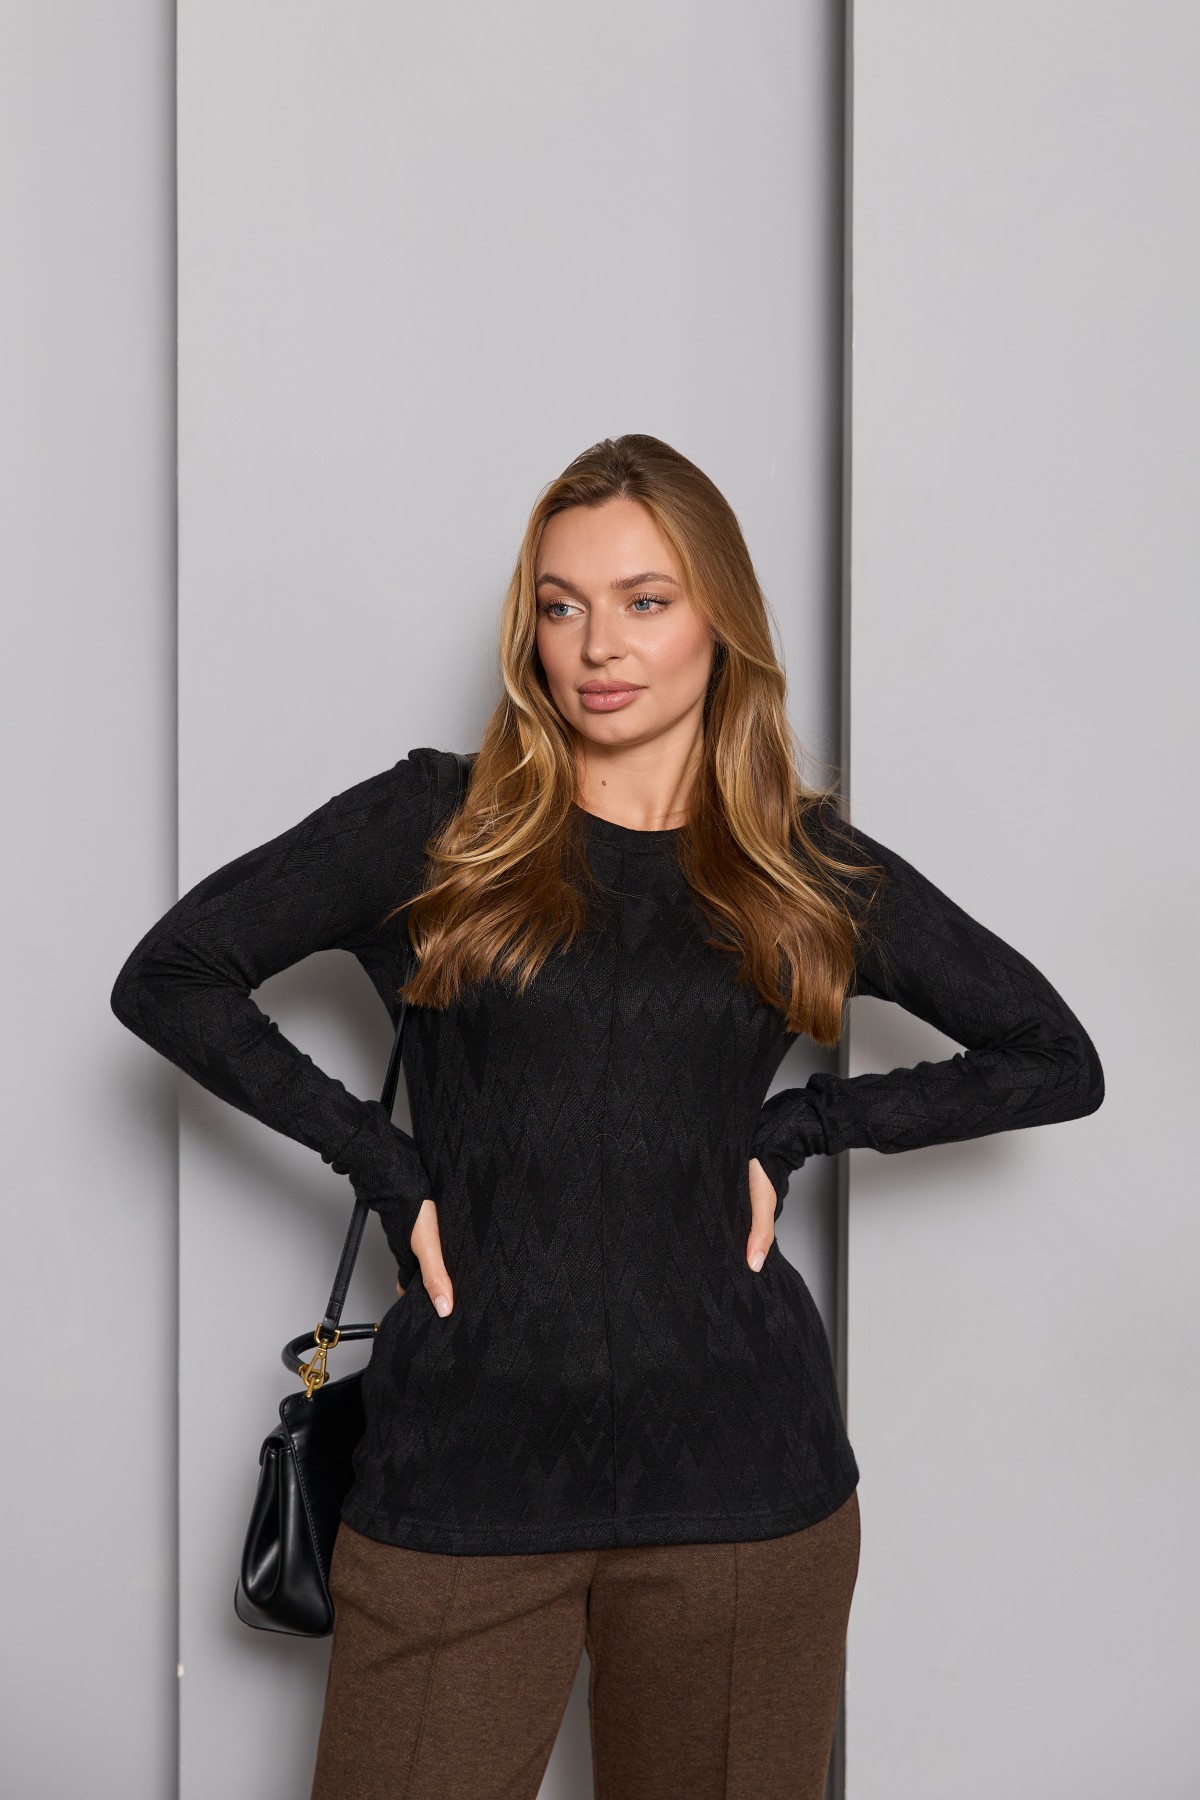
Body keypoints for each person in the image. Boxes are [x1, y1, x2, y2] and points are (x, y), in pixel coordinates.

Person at [110, 432, 1105, 1800]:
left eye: (645, 599)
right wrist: (385, 1166)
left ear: (721, 621)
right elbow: (171, 976)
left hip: (745, 1488)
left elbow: (1052, 1056)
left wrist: (798, 1131)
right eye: (561, 604)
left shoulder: (797, 862)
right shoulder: (438, 825)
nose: (597, 645)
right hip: (462, 1473)